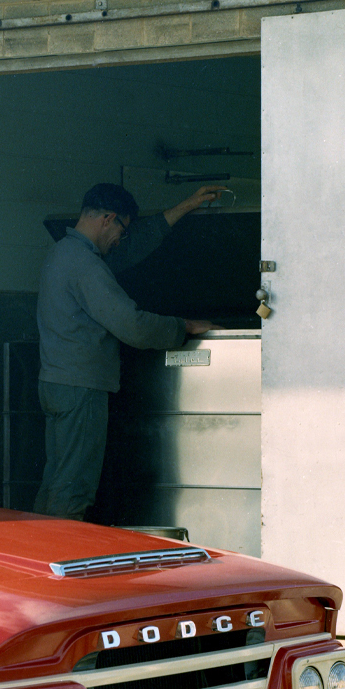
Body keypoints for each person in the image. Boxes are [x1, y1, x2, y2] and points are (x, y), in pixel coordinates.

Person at [33, 183, 222, 520]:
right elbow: (132, 326)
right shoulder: (85, 265)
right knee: (74, 489)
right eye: (122, 230)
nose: (121, 239)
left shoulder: (63, 253)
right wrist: (182, 327)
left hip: (57, 383)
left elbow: (128, 251)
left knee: (56, 482)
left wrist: (185, 206)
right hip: (81, 388)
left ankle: (36, 548)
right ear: (108, 218)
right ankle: (57, 553)